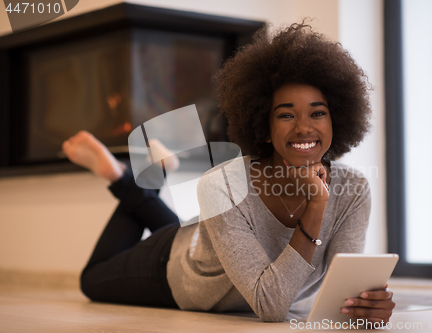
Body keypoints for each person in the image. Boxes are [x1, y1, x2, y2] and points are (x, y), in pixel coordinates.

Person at [63, 22, 395, 324]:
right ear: (263, 128)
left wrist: (365, 306)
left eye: (318, 113)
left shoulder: (354, 188)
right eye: (286, 115)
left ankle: (158, 172)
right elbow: (271, 306)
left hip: (206, 236)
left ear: (336, 121)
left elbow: (342, 296)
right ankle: (123, 179)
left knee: (199, 231)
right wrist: (316, 207)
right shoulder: (221, 185)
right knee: (91, 280)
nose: (305, 128)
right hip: (174, 269)